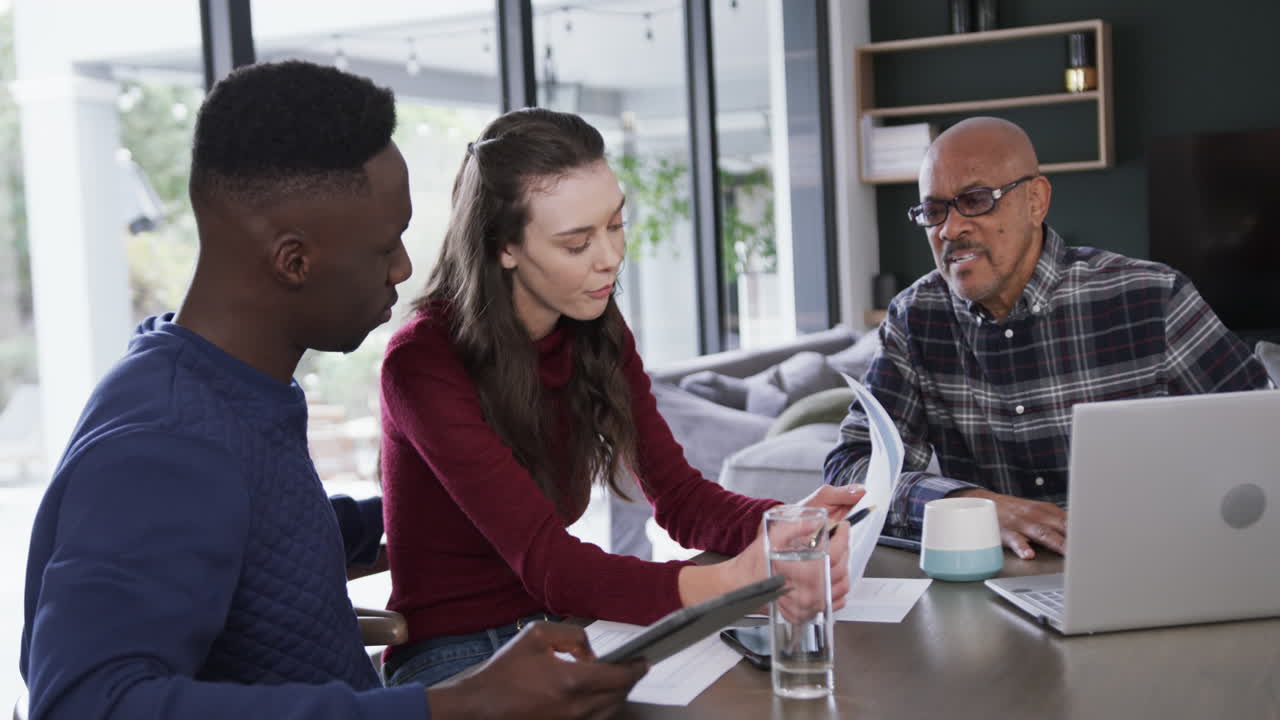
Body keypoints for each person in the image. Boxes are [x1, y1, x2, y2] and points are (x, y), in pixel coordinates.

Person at [20, 61, 645, 720]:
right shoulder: (164, 444)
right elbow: (84, 705)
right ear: (294, 261)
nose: (405, 267)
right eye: (386, 247)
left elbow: (258, 534)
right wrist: (459, 705)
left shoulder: (230, 389)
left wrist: (420, 514)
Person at [378, 107, 865, 688]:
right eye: (578, 242)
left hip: (563, 628)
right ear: (503, 246)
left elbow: (682, 499)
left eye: (615, 224)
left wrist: (790, 524)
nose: (610, 257)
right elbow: (550, 564)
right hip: (452, 656)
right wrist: (737, 579)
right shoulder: (423, 363)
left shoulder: (592, 326)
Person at [824, 116, 1270, 561]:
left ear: (1036, 201)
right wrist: (969, 506)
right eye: (934, 210)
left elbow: (1265, 442)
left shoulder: (1153, 299)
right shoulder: (915, 320)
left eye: (975, 200)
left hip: (1153, 566)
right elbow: (853, 470)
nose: (949, 229)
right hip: (997, 592)